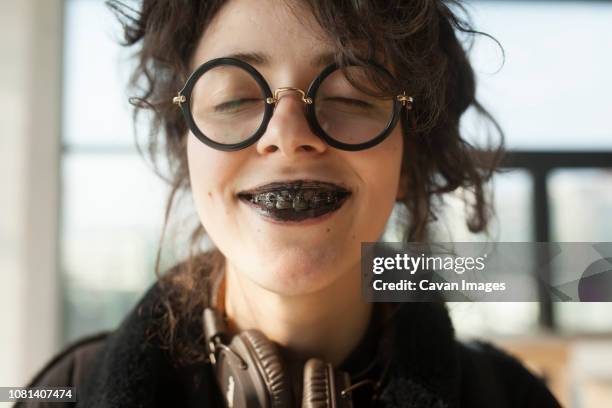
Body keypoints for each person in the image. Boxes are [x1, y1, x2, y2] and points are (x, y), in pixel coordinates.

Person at [18, 0, 562, 407]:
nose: (287, 133)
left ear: (409, 159)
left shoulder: (511, 398)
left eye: (349, 96)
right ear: (189, 154)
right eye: (234, 99)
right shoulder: (66, 392)